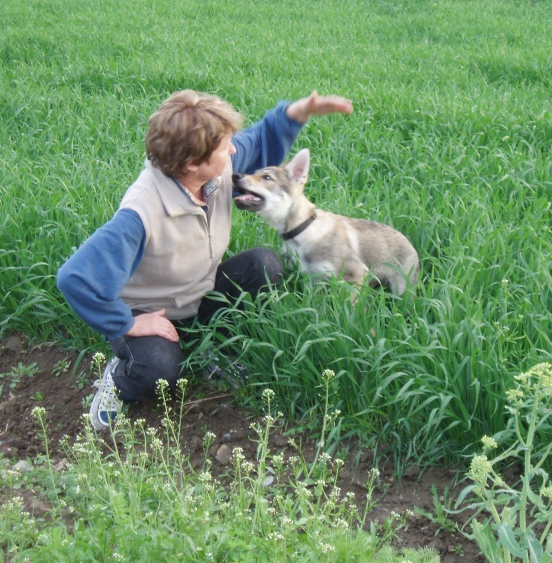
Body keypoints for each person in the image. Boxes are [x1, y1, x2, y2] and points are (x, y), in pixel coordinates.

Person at [57, 89, 353, 430]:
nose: (233, 150)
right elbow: (75, 278)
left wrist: (299, 112)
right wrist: (128, 323)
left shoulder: (213, 171)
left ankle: (215, 346)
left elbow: (260, 138)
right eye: (224, 147)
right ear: (191, 164)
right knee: (159, 374)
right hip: (151, 312)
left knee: (265, 265)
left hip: (198, 294)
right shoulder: (141, 213)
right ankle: (121, 378)